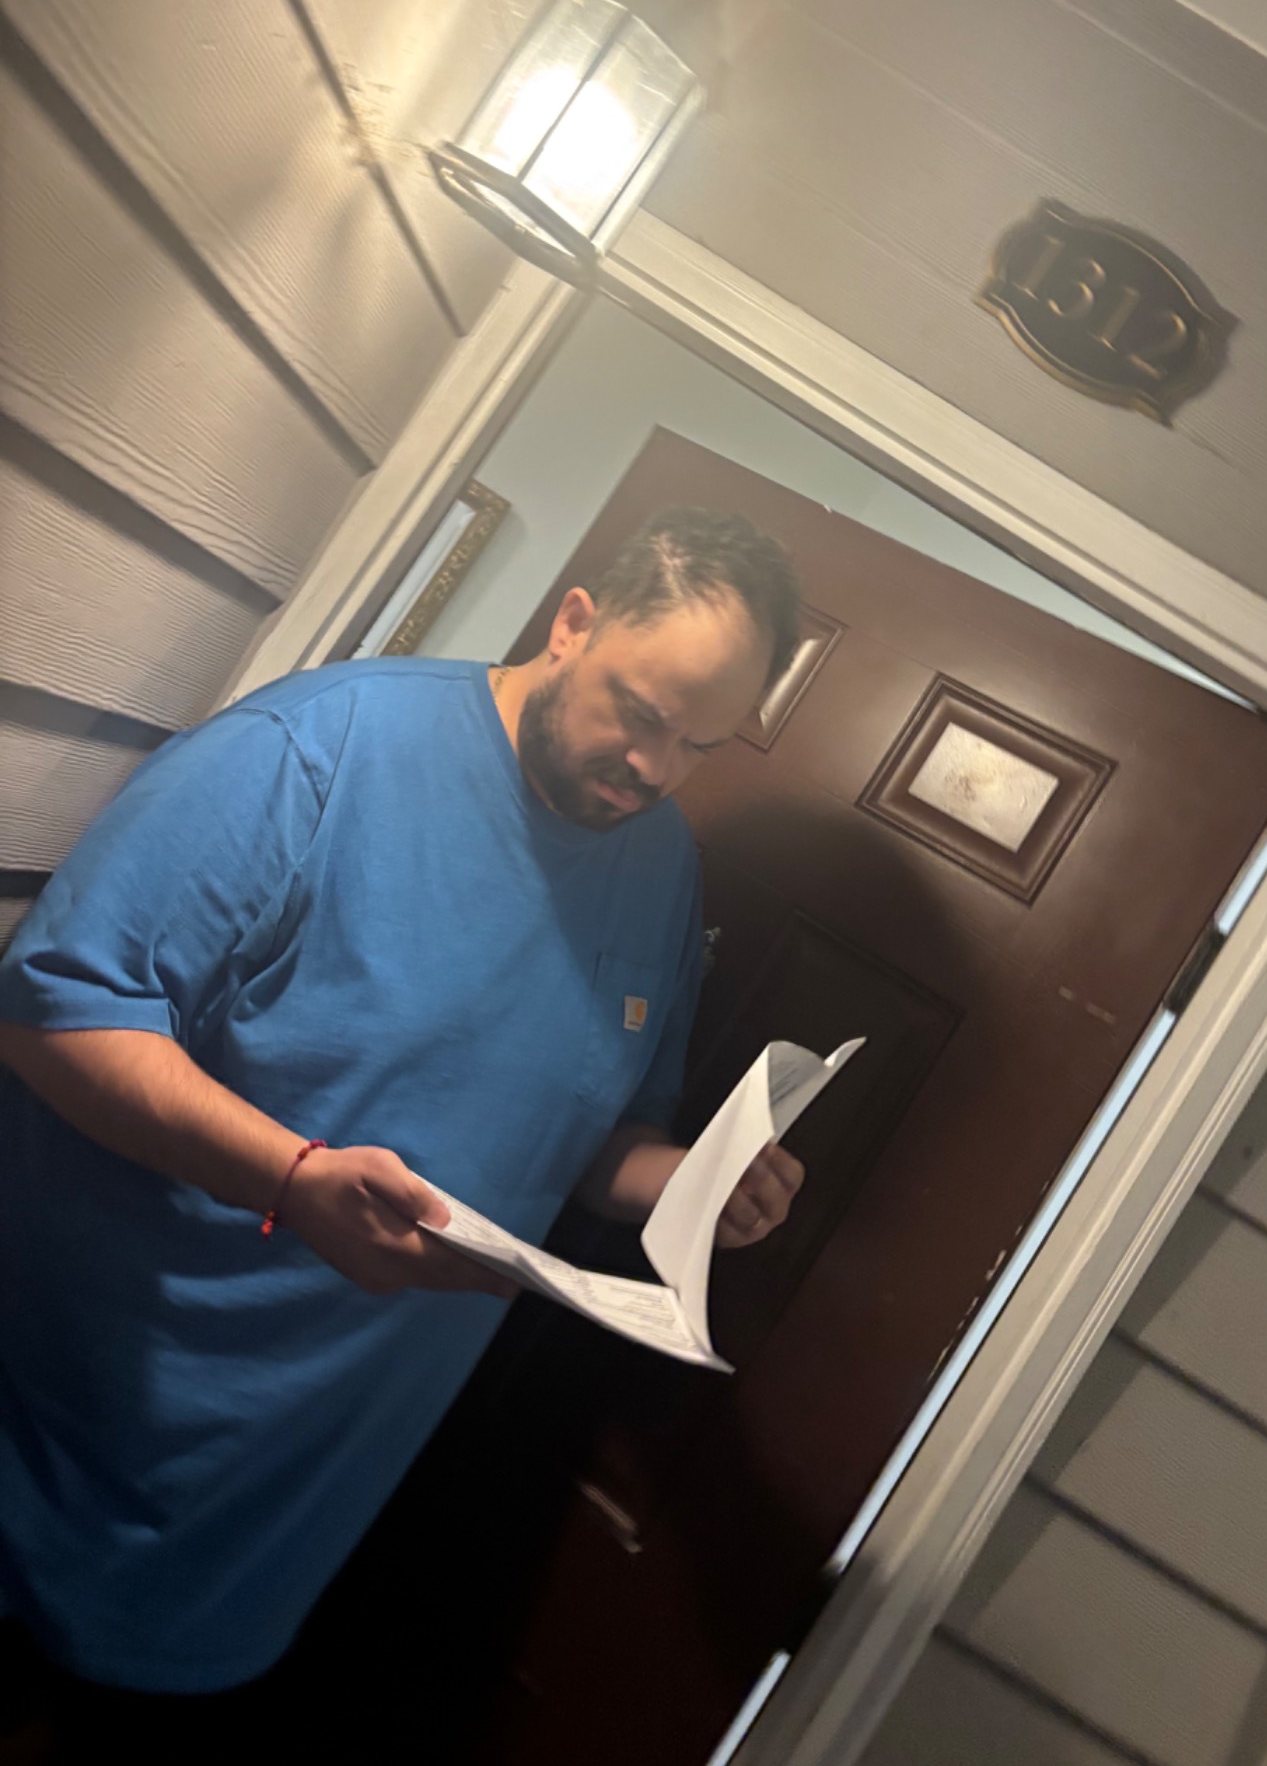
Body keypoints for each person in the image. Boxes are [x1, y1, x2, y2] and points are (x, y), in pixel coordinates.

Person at [0, 504, 806, 1741]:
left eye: (698, 744)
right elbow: (50, 1013)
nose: (655, 767)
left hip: (269, 1522)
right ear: (573, 622)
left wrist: (695, 1179)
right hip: (61, 1439)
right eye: (643, 713)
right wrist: (293, 1176)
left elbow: (596, 1139)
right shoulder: (317, 749)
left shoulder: (663, 873)